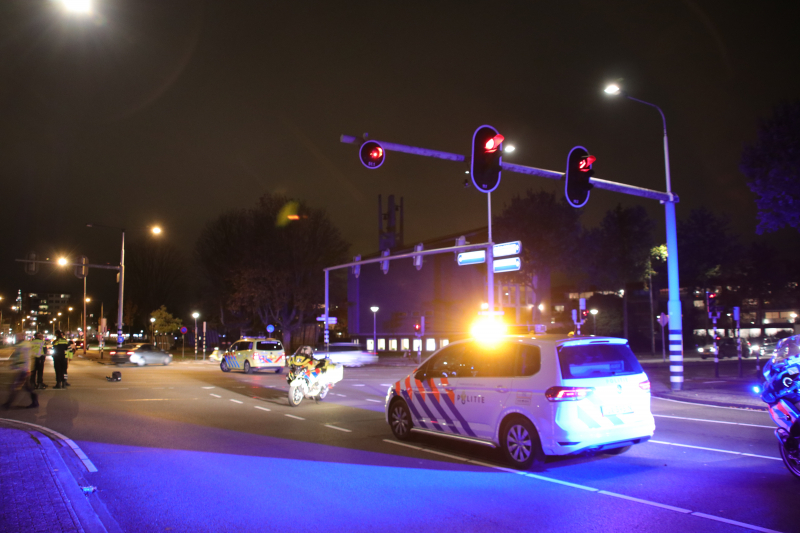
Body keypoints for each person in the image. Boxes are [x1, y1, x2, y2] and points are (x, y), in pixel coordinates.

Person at [3, 337, 38, 409]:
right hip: (22, 368)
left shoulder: (25, 346)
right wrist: (14, 365)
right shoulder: (21, 345)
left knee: (14, 386)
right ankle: (35, 401)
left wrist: (27, 369)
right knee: (27, 387)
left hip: (24, 369)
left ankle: (8, 403)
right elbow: (18, 357)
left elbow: (27, 358)